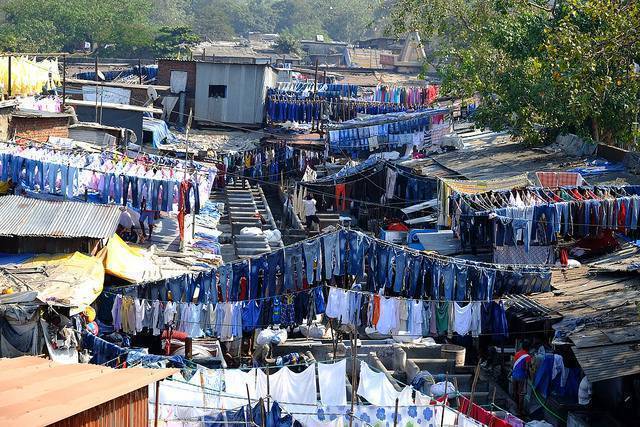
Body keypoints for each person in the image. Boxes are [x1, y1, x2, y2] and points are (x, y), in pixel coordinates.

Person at [512, 340, 532, 415]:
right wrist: (530, 377)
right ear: (529, 348)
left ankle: (516, 407)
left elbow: (513, 364)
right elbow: (527, 368)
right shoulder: (528, 356)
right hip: (521, 376)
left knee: (515, 392)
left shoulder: (517, 354)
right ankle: (520, 411)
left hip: (514, 375)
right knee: (521, 393)